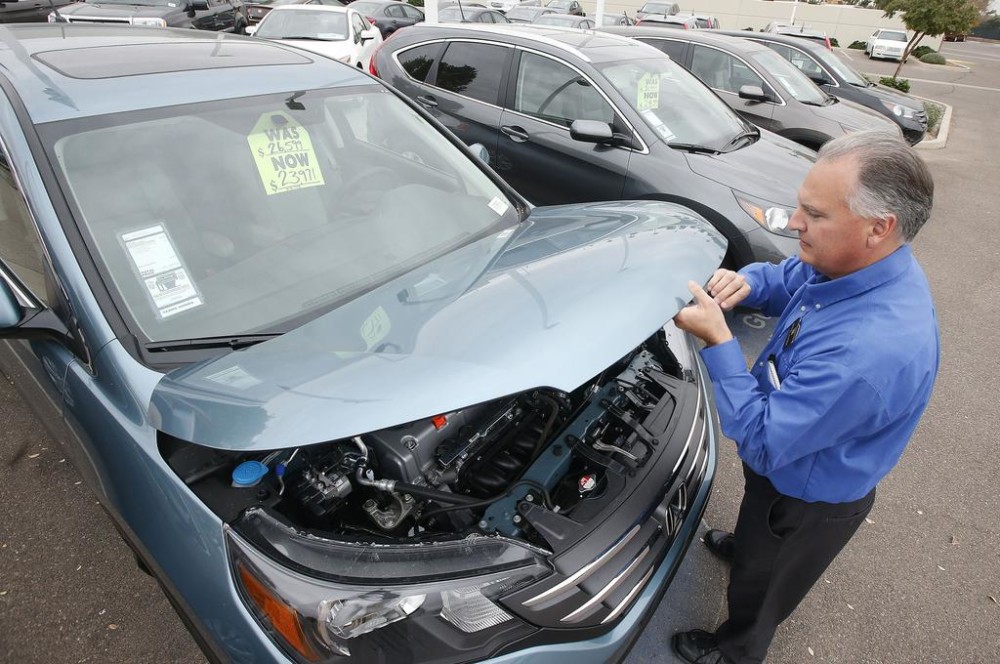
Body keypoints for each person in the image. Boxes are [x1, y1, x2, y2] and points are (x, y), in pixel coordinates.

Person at [670, 130, 939, 664]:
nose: (794, 223)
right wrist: (745, 284)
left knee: (764, 586)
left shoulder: (868, 352)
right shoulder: (852, 264)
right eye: (799, 206)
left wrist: (719, 341)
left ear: (877, 228)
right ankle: (749, 549)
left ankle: (735, 648)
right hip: (787, 463)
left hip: (806, 495)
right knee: (756, 538)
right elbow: (789, 276)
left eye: (814, 215)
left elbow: (767, 442)